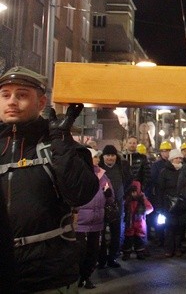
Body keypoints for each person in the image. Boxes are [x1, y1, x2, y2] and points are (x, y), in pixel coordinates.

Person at [0, 66, 99, 291]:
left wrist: (62, 142)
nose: (12, 101)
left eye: (22, 95)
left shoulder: (58, 144)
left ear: (41, 103)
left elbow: (80, 194)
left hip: (48, 275)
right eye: (5, 95)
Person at [76, 147, 114, 289]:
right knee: (80, 251)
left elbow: (111, 199)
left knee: (93, 251)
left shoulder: (103, 175)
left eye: (97, 157)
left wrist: (109, 195)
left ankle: (86, 277)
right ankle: (78, 276)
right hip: (80, 220)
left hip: (97, 220)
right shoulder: (79, 174)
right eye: (94, 157)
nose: (97, 159)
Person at [98, 144, 132, 269]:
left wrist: (123, 195)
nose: (110, 158)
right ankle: (101, 259)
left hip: (118, 203)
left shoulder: (122, 167)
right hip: (102, 204)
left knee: (116, 232)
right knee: (101, 232)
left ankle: (112, 258)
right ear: (103, 156)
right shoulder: (99, 168)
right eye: (107, 155)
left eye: (112, 155)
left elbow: (128, 180)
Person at [158, 148, 186, 257]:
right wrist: (160, 205)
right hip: (169, 203)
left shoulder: (184, 171)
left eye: (180, 158)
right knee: (169, 226)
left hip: (181, 203)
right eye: (177, 158)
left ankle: (178, 248)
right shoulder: (164, 172)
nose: (179, 160)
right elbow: (160, 189)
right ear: (172, 159)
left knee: (180, 227)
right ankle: (169, 249)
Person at [121, 180, 153, 260]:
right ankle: (127, 253)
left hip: (139, 222)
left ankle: (140, 252)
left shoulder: (142, 198)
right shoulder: (127, 199)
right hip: (130, 222)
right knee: (128, 237)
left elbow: (150, 208)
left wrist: (143, 212)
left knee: (139, 238)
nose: (134, 193)